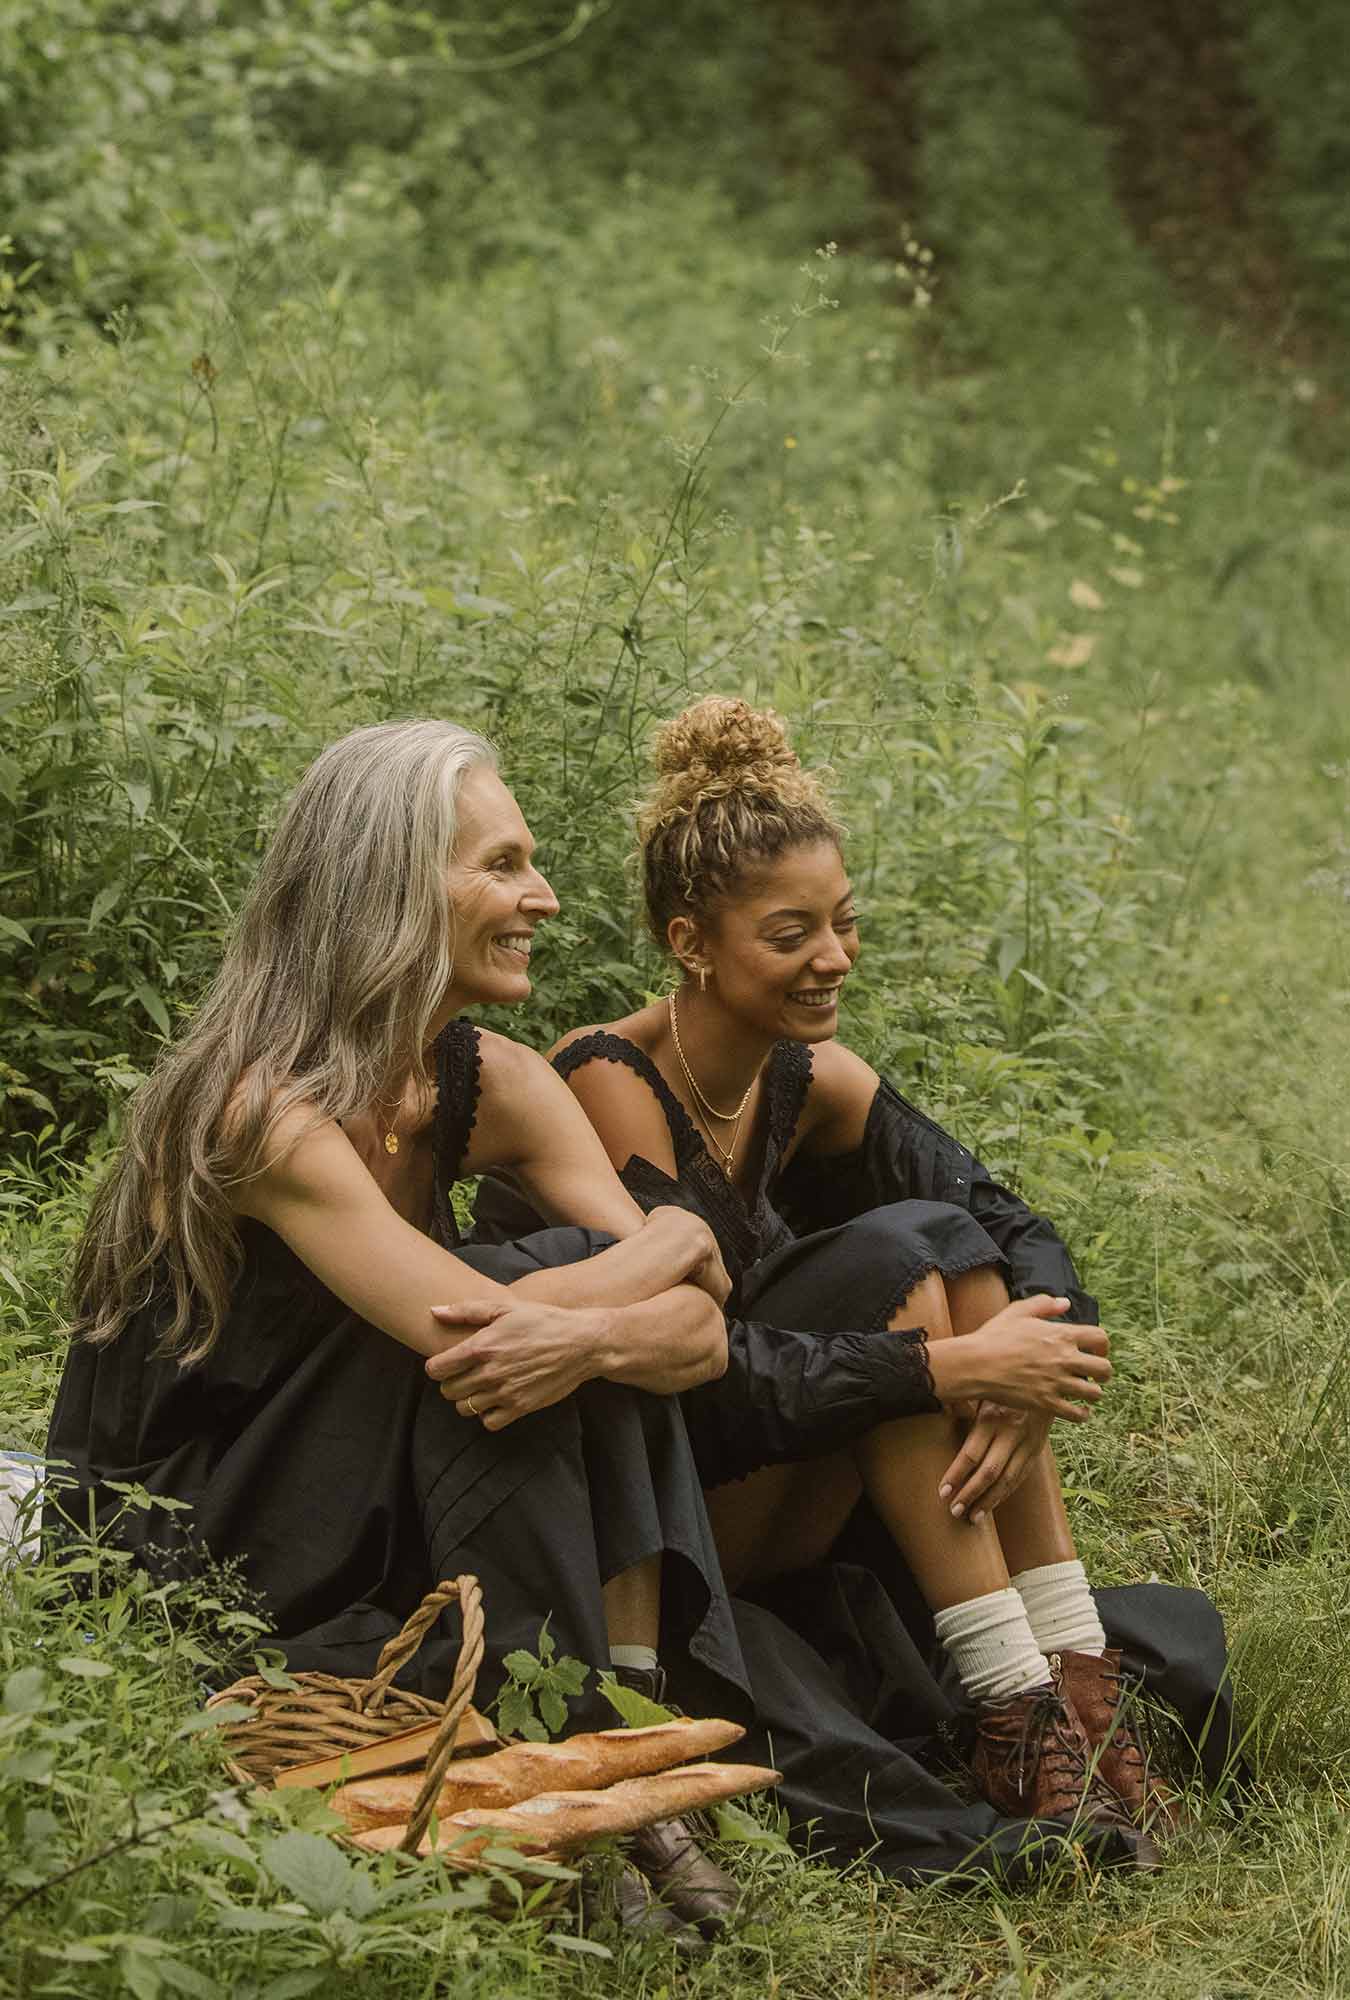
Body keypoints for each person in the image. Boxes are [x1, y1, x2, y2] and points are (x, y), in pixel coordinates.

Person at [472, 696, 1239, 1874]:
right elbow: (699, 1365)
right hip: (660, 1504)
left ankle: (1076, 1699)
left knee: (956, 1247)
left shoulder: (810, 1075)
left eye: (842, 922)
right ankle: (1013, 1711)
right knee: (902, 1256)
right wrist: (952, 1365)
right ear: (691, 942)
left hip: (787, 1457)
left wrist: (1032, 1367)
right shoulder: (604, 1079)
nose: (832, 956)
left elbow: (1002, 1217)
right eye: (790, 933)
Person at [46, 718, 769, 1941]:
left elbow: (701, 1336)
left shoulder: (491, 1077)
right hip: (194, 1519)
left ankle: (614, 1747)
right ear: (387, 883)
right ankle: (588, 1763)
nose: (540, 894)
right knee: (524, 1308)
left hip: (381, 1468)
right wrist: (675, 1242)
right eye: (500, 863)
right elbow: (463, 1328)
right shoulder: (261, 1107)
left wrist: (623, 1307)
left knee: (555, 1304)